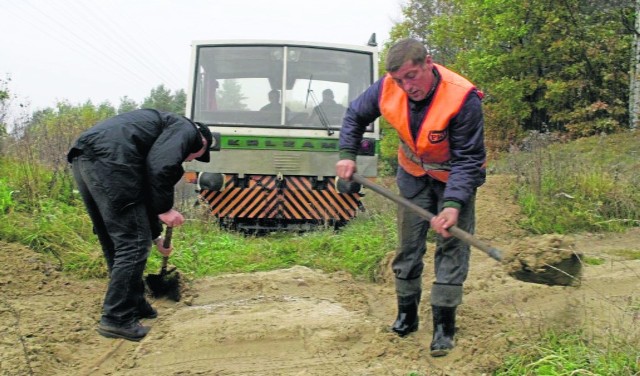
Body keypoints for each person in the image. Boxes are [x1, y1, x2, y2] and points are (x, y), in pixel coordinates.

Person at [335, 38, 486, 357]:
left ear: (428, 63)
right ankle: (407, 315)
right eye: (399, 80)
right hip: (413, 175)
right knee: (408, 245)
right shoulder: (387, 86)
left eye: (412, 76)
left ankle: (444, 326)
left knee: (451, 245)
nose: (407, 86)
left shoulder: (462, 97)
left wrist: (453, 205)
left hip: (453, 177)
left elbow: (468, 159)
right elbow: (354, 115)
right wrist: (348, 153)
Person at [67, 109, 212, 342]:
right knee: (132, 244)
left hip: (85, 158)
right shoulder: (187, 130)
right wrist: (166, 209)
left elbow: (144, 193)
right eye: (196, 156)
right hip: (111, 161)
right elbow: (161, 167)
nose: (190, 159)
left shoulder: (155, 135)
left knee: (116, 241)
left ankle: (133, 302)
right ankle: (116, 318)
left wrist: (156, 237)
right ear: (202, 141)